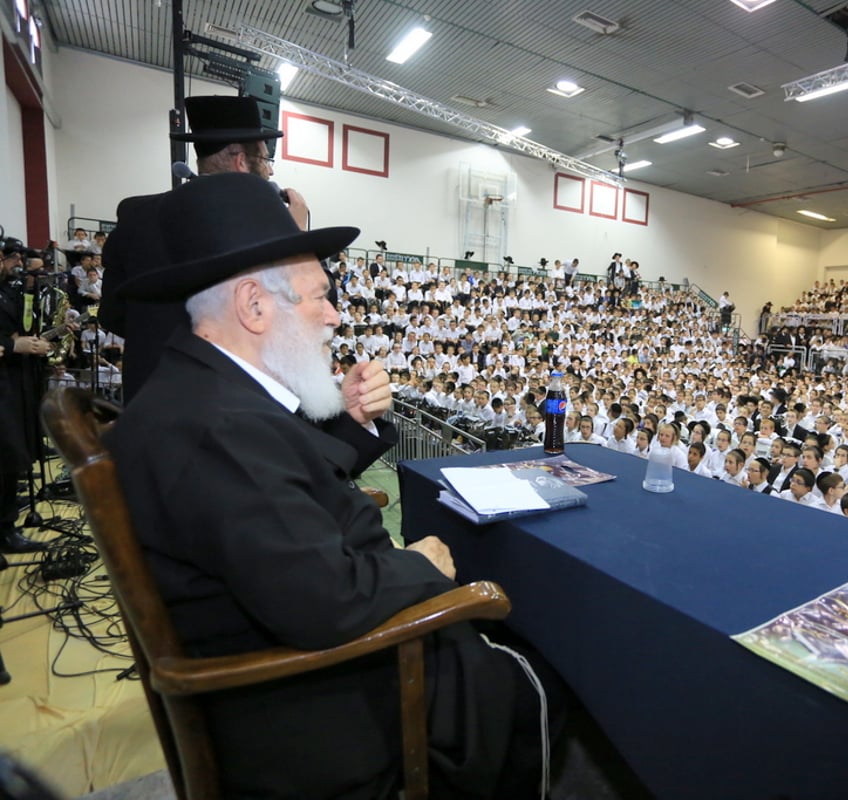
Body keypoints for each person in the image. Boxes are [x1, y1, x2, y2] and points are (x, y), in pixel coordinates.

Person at [108, 174, 553, 799]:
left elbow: (284, 486)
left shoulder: (205, 392)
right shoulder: (219, 428)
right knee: (529, 675)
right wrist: (418, 566)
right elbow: (329, 603)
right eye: (319, 296)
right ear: (253, 306)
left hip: (295, 675)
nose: (335, 315)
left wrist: (354, 422)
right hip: (321, 709)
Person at [101, 95, 309, 399]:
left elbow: (112, 315)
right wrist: (296, 235)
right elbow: (305, 315)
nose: (271, 172)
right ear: (241, 161)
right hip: (228, 414)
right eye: (265, 160)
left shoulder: (134, 214)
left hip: (147, 407)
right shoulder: (265, 222)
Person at [0, 242, 54, 553]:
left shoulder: (11, 289)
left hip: (16, 380)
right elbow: (10, 340)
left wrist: (33, 342)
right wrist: (13, 346)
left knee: (12, 458)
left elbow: (20, 328)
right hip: (5, 380)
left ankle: (6, 527)